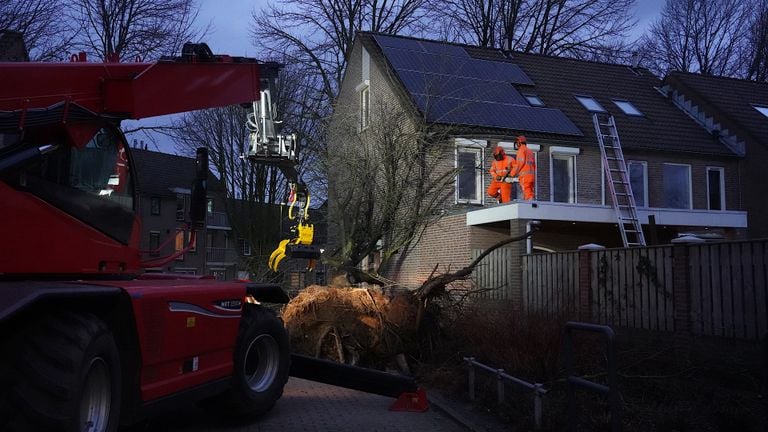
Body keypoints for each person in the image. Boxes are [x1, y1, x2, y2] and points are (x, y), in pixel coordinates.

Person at [509, 135, 536, 200]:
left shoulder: (521, 150)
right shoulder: (530, 151)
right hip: (532, 177)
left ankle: (529, 207)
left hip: (525, 177)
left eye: (517, 143)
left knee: (527, 194)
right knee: (530, 193)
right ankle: (532, 204)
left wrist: (511, 174)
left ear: (519, 142)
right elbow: (534, 165)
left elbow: (519, 164)